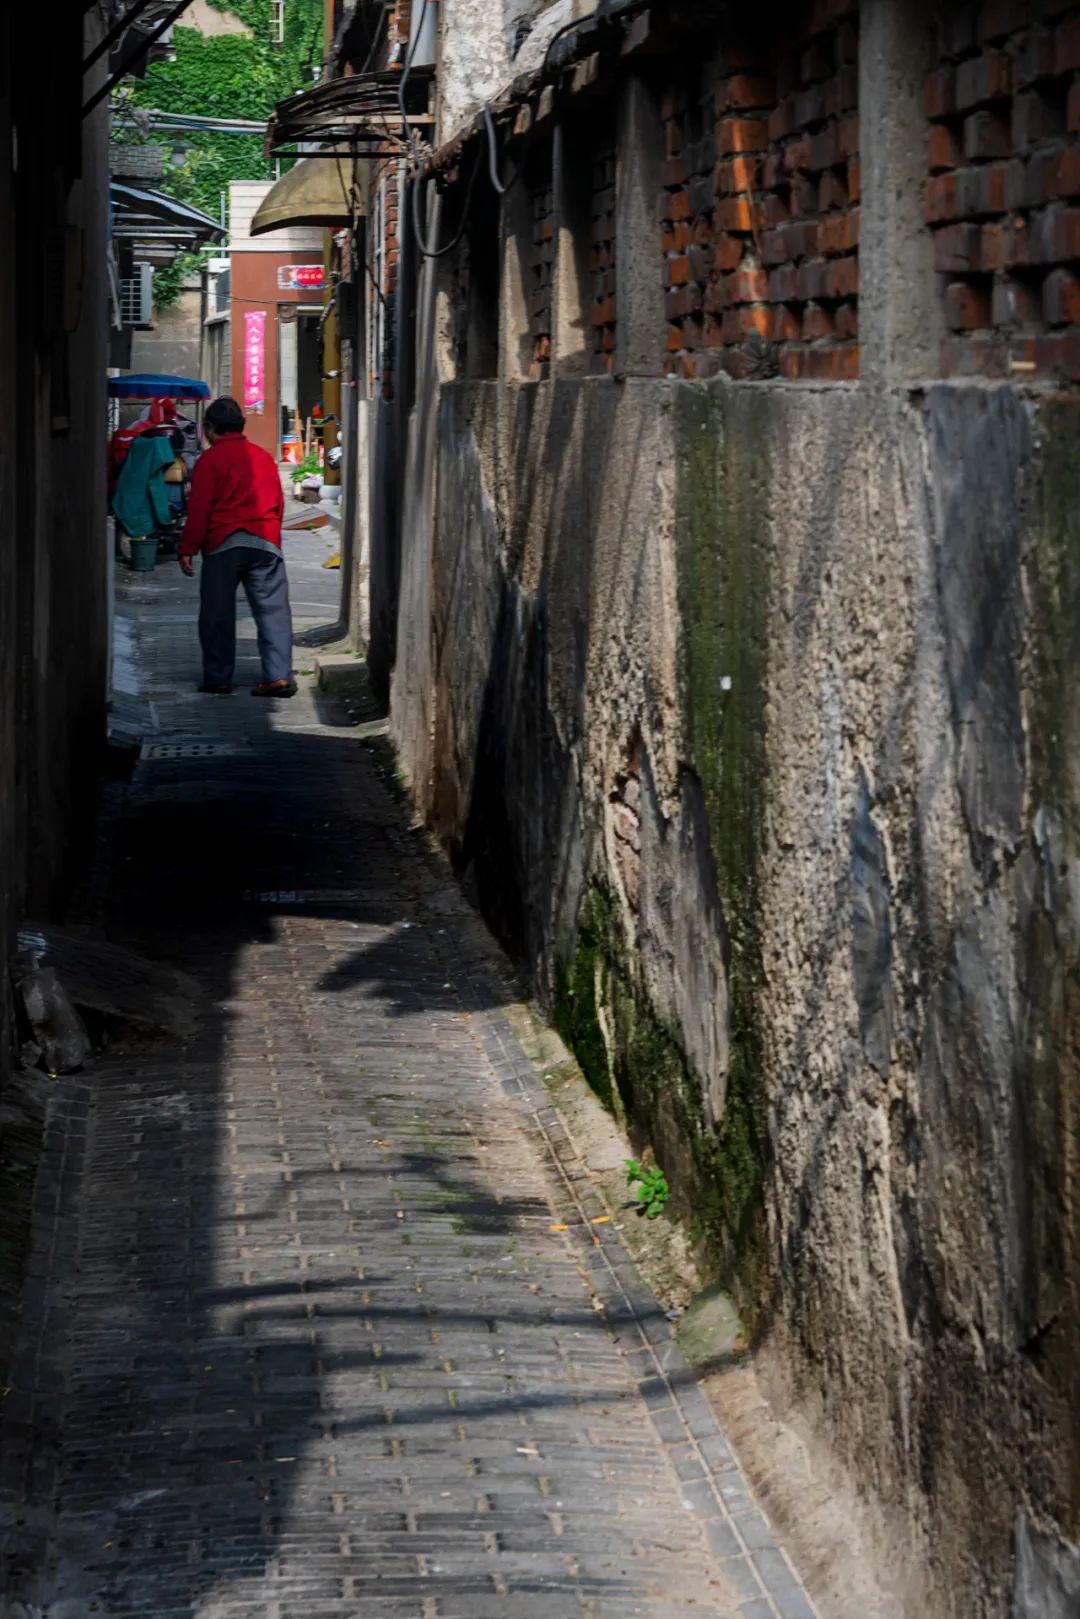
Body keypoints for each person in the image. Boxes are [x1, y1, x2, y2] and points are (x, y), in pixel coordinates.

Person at [178, 396, 296, 697]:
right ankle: (279, 676)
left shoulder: (210, 461)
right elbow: (278, 504)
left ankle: (218, 678)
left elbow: (200, 508)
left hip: (223, 543)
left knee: (217, 613)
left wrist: (188, 548)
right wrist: (272, 537)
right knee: (273, 612)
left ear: (211, 429)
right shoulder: (264, 457)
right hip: (265, 541)